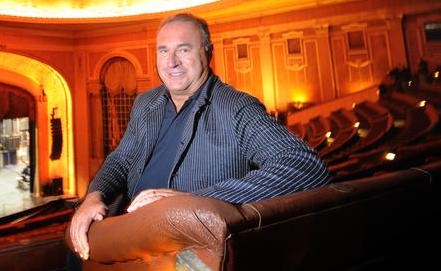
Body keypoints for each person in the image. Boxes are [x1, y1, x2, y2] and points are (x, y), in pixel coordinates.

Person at [68, 13, 331, 262]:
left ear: (208, 52)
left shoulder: (236, 107)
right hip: (126, 233)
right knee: (71, 242)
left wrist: (192, 201)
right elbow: (121, 160)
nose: (171, 62)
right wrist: (95, 194)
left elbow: (305, 166)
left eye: (183, 49)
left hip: (183, 248)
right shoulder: (146, 103)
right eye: (163, 51)